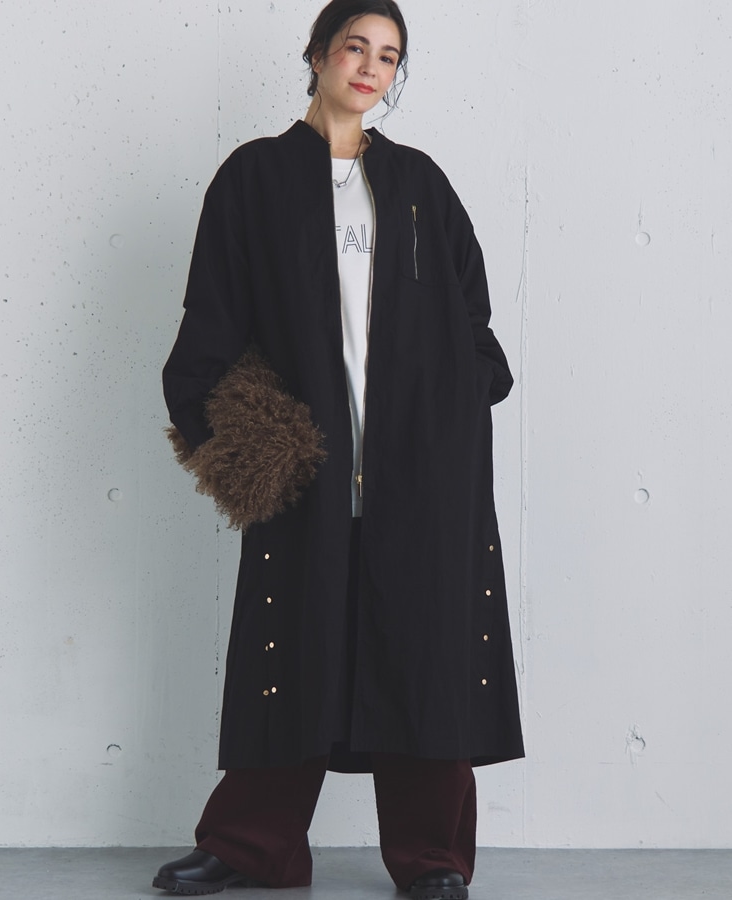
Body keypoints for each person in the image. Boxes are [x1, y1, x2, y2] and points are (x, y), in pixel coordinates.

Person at [155, 2, 524, 898]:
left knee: (422, 647)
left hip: (421, 465)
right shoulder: (253, 178)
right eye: (355, 47)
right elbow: (213, 317)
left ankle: (432, 857)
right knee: (290, 642)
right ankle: (252, 845)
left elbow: (473, 317)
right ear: (318, 53)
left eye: (388, 56)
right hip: (310, 463)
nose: (370, 67)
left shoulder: (419, 184)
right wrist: (229, 435)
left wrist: (460, 398)